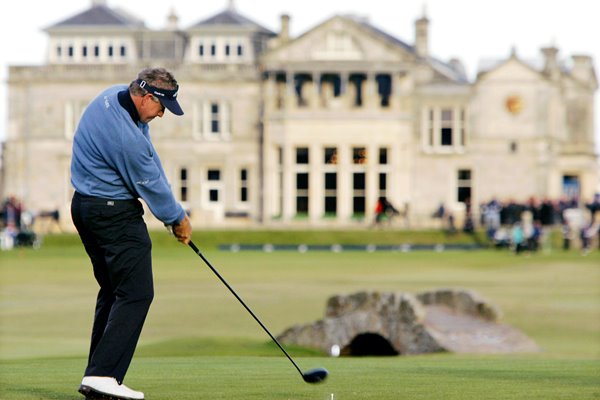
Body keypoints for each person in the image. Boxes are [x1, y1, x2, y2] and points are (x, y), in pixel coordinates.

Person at [70, 67, 192, 400]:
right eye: (162, 106)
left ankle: (96, 376)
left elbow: (150, 163)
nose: (163, 114)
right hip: (113, 215)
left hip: (85, 207)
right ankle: (104, 374)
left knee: (113, 291)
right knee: (137, 293)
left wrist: (173, 214)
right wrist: (177, 219)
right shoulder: (127, 138)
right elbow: (148, 181)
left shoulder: (111, 97)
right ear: (147, 97)